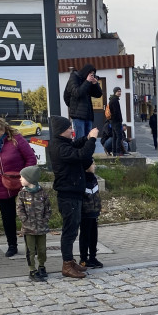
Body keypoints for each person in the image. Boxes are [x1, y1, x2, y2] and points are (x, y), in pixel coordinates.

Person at [46, 115, 96, 279]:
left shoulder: (62, 143)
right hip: (68, 195)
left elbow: (76, 145)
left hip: (73, 193)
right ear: (61, 131)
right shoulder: (60, 148)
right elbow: (81, 154)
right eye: (69, 128)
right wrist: (92, 140)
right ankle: (67, 265)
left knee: (73, 229)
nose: (71, 130)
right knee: (69, 231)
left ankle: (70, 260)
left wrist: (86, 138)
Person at [0, 116, 37, 258]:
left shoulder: (16, 140)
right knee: (7, 218)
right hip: (0, 186)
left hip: (20, 185)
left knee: (26, 216)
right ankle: (12, 245)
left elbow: (31, 158)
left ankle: (31, 246)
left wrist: (24, 178)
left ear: (2, 130)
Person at [16, 165, 51, 282]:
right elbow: (19, 209)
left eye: (22, 177)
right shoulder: (22, 194)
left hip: (41, 227)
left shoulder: (43, 193)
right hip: (28, 228)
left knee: (42, 249)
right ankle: (32, 269)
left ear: (30, 179)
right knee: (30, 250)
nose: (20, 179)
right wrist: (25, 221)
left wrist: (45, 220)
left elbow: (48, 208)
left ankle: (42, 266)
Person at [63, 65, 101, 139]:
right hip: (78, 114)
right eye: (91, 74)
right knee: (80, 139)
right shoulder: (74, 77)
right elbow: (77, 93)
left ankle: (87, 151)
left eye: (93, 74)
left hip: (88, 115)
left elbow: (98, 94)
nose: (92, 76)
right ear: (86, 72)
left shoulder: (87, 82)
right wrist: (87, 81)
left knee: (88, 139)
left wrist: (95, 84)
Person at [79, 160, 103, 269]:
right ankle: (83, 259)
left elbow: (96, 195)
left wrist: (98, 208)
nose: (95, 166)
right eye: (93, 164)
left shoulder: (93, 179)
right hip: (85, 213)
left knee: (94, 236)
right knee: (85, 236)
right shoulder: (82, 179)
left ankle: (93, 257)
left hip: (94, 212)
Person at [108, 87, 125, 155]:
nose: (119, 92)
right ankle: (117, 151)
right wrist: (119, 120)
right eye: (118, 91)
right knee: (119, 136)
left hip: (113, 121)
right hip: (116, 121)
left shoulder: (112, 99)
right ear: (115, 92)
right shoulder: (115, 100)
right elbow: (116, 112)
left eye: (120, 91)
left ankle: (114, 151)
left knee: (115, 136)